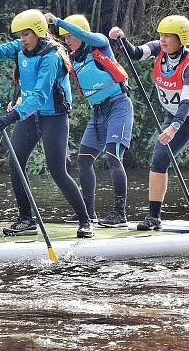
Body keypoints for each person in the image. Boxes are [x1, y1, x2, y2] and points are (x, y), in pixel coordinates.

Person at [0, 9, 94, 239]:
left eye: (26, 34)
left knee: (57, 170)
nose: (22, 39)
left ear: (39, 32)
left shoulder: (51, 57)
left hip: (53, 117)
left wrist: (12, 115)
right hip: (29, 116)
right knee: (15, 164)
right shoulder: (21, 48)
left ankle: (85, 220)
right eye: (20, 34)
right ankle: (26, 218)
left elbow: (40, 95)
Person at [109, 15, 189, 230]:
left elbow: (187, 102)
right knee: (158, 162)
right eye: (161, 35)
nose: (162, 40)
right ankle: (154, 217)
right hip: (174, 117)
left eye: (168, 36)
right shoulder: (158, 49)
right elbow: (134, 54)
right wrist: (121, 39)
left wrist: (173, 127)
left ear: (181, 38)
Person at [44, 13, 133, 227]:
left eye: (69, 36)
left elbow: (85, 35)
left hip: (118, 106)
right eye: (64, 37)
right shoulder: (73, 58)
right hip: (98, 113)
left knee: (113, 157)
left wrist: (57, 22)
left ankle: (119, 214)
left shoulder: (100, 45)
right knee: (84, 160)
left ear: (79, 33)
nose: (67, 40)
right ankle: (88, 213)